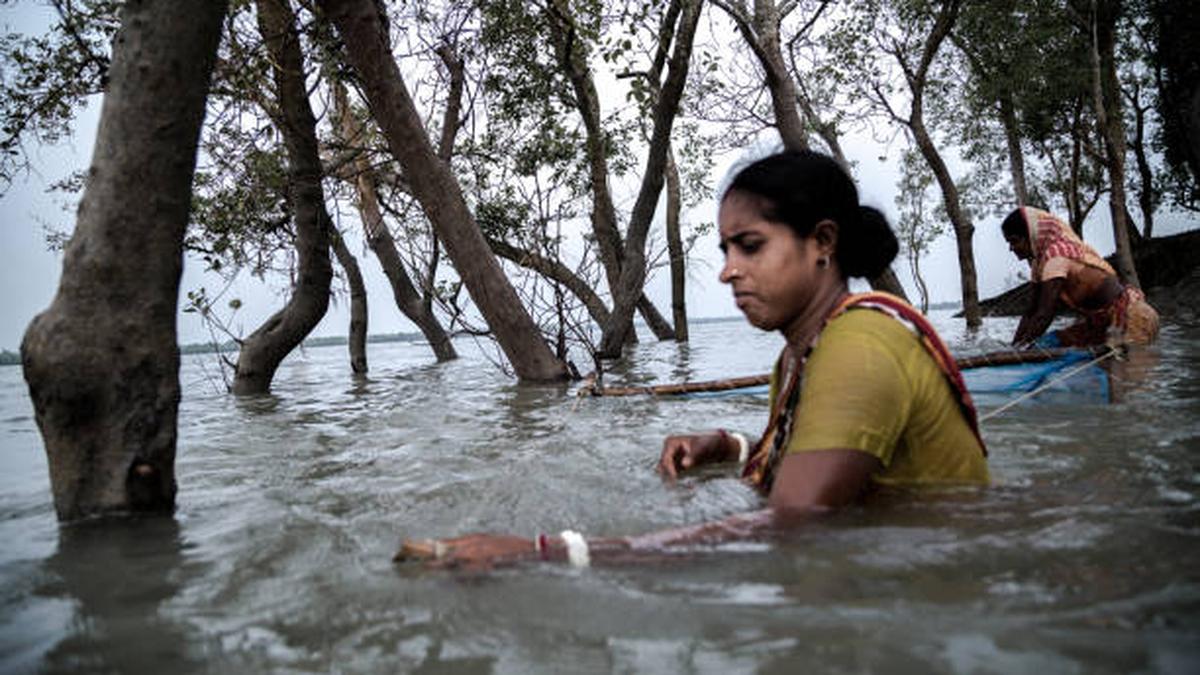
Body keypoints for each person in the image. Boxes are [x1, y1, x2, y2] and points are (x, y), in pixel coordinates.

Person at [396, 150, 989, 570]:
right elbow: (811, 455)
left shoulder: (860, 346)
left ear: (823, 243)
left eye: (750, 246)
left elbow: (794, 524)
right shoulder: (802, 356)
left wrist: (545, 553)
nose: (729, 269)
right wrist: (728, 445)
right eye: (727, 249)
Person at [1002, 207, 1159, 348]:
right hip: (1101, 325)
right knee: (1051, 342)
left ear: (1031, 236)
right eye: (1009, 243)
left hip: (1133, 319)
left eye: (1015, 241)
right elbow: (1031, 312)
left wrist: (1023, 349)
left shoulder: (1056, 257)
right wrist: (1014, 347)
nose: (1011, 248)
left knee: (1124, 375)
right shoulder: (1039, 264)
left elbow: (1045, 314)